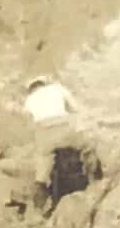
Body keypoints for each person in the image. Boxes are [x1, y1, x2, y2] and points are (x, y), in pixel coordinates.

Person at [23, 74, 80, 219]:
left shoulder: (30, 99)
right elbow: (75, 108)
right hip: (64, 130)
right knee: (86, 148)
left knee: (41, 174)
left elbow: (28, 122)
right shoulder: (58, 89)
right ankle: (95, 178)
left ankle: (38, 210)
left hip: (44, 133)